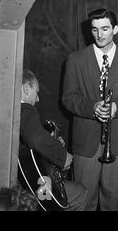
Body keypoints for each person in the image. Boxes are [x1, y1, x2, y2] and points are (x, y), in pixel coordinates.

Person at [62, 8, 118, 211]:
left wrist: (117, 106)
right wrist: (92, 107)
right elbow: (68, 98)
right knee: (83, 199)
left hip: (117, 140)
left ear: (115, 29)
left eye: (105, 29)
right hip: (85, 142)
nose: (100, 35)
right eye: (95, 29)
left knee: (114, 200)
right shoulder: (75, 59)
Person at [19, 69, 87, 211]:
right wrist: (62, 156)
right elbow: (35, 137)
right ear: (26, 89)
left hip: (23, 181)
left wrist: (52, 142)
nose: (37, 99)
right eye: (36, 93)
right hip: (32, 187)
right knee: (80, 192)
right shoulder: (25, 109)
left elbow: (29, 142)